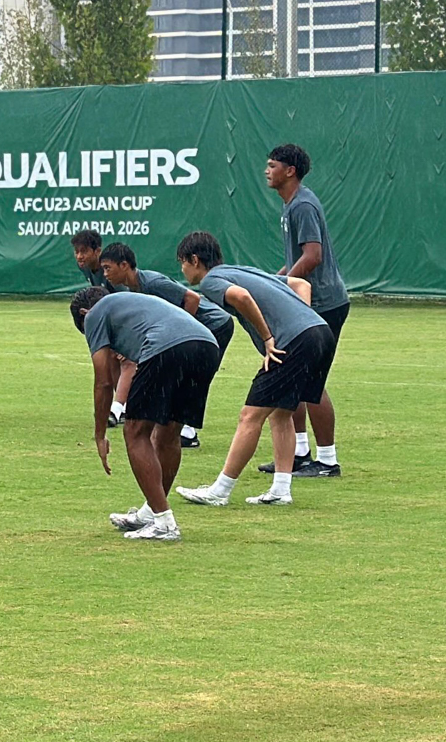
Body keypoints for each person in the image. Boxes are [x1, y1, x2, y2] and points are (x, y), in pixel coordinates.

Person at [171, 232, 332, 510]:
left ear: (194, 260)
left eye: (182, 263)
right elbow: (300, 283)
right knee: (281, 413)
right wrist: (298, 318)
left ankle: (220, 490)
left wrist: (270, 337)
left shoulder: (211, 281)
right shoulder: (241, 270)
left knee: (250, 415)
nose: (182, 270)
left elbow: (241, 297)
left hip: (297, 339)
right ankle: (281, 489)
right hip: (320, 333)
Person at [69, 285, 221, 543]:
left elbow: (103, 382)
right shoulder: (131, 304)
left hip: (168, 347)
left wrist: (99, 434)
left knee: (135, 431)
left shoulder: (95, 314)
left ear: (85, 314)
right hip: (207, 346)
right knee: (169, 433)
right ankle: (152, 511)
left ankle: (163, 522)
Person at [96, 242, 233, 447]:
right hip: (194, 331)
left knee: (188, 376)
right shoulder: (126, 288)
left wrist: (183, 330)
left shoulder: (152, 282)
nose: (105, 274)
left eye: (108, 268)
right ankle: (175, 426)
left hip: (215, 325)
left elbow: (192, 298)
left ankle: (187, 432)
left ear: (124, 265)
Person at [268, 143, 347, 478]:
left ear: (290, 171)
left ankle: (328, 461)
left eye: (273, 165)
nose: (267, 171)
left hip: (325, 304)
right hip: (306, 303)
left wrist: (284, 286)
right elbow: (298, 260)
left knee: (312, 382)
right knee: (293, 375)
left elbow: (312, 257)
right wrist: (277, 278)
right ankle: (299, 453)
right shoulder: (291, 205)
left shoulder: (302, 205)